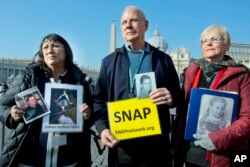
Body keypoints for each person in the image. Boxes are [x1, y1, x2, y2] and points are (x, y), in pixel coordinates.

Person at [93, 6, 181, 167]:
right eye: (124, 22)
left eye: (133, 20)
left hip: (156, 145)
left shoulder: (164, 60)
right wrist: (102, 129)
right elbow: (99, 99)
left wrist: (171, 97)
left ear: (145, 25)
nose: (128, 25)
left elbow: (178, 96)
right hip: (122, 145)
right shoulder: (108, 62)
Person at [0, 33, 93, 167]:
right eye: (45, 47)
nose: (50, 50)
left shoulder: (79, 81)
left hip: (68, 159)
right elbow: (3, 106)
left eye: (55, 46)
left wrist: (88, 114)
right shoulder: (28, 77)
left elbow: (91, 113)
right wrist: (11, 115)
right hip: (29, 159)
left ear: (66, 50)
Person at [172, 25, 250, 167]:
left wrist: (217, 139)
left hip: (222, 154)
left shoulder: (241, 76)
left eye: (214, 39)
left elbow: (248, 119)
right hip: (189, 153)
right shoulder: (191, 72)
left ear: (226, 45)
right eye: (204, 41)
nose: (208, 43)